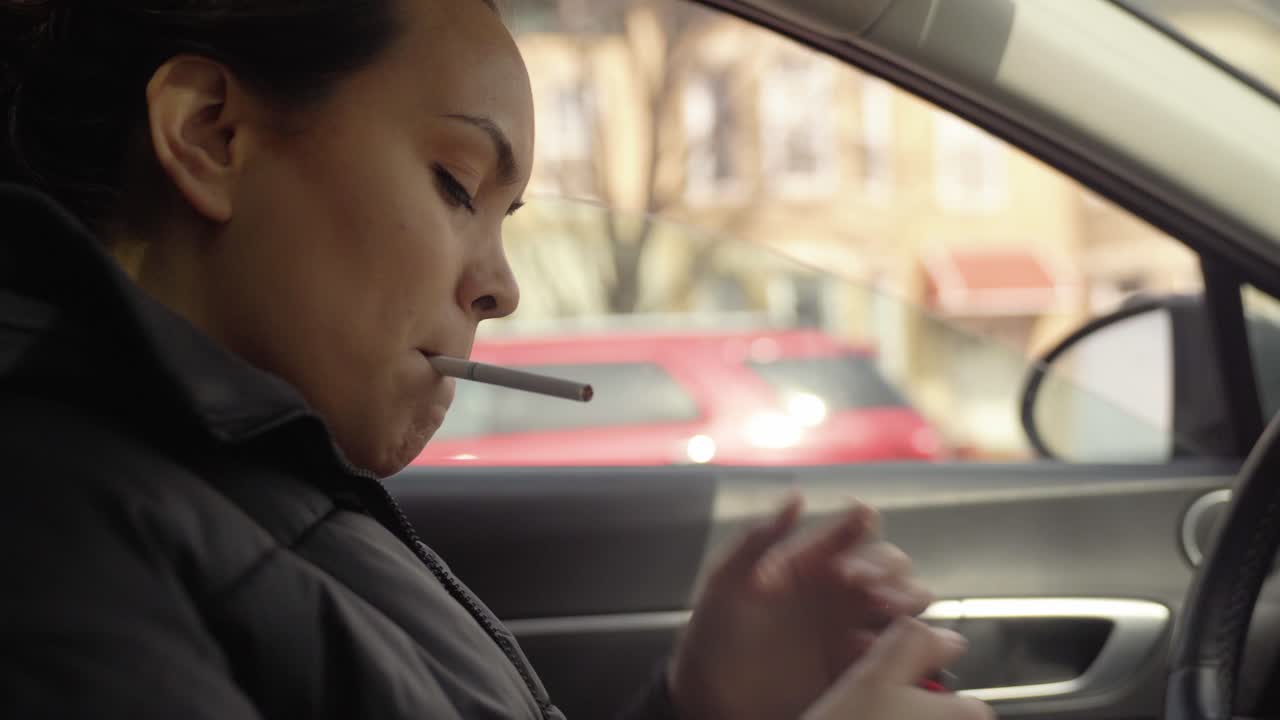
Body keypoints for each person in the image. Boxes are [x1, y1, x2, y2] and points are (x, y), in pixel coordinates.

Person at [0, 1, 993, 718]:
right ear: (210, 134)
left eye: (504, 217)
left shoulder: (249, 483)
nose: (500, 288)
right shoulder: (52, 531)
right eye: (454, 182)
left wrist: (695, 708)